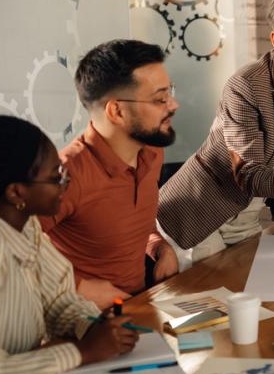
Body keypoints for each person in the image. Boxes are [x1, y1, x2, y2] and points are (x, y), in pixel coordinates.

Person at [0, 116, 139, 374]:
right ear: (16, 192)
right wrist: (81, 352)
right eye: (56, 178)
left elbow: (57, 300)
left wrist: (90, 326)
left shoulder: (25, 225)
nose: (65, 185)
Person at [158, 0, 274, 256]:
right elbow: (248, 173)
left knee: (248, 286)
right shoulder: (246, 86)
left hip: (250, 208)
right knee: (213, 292)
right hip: (201, 208)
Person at [39, 39, 180, 309]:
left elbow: (134, 222)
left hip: (138, 308)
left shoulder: (151, 150)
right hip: (83, 324)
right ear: (116, 111)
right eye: (160, 98)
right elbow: (7, 250)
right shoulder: (66, 174)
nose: (173, 105)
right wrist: (78, 286)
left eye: (170, 92)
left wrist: (159, 246)